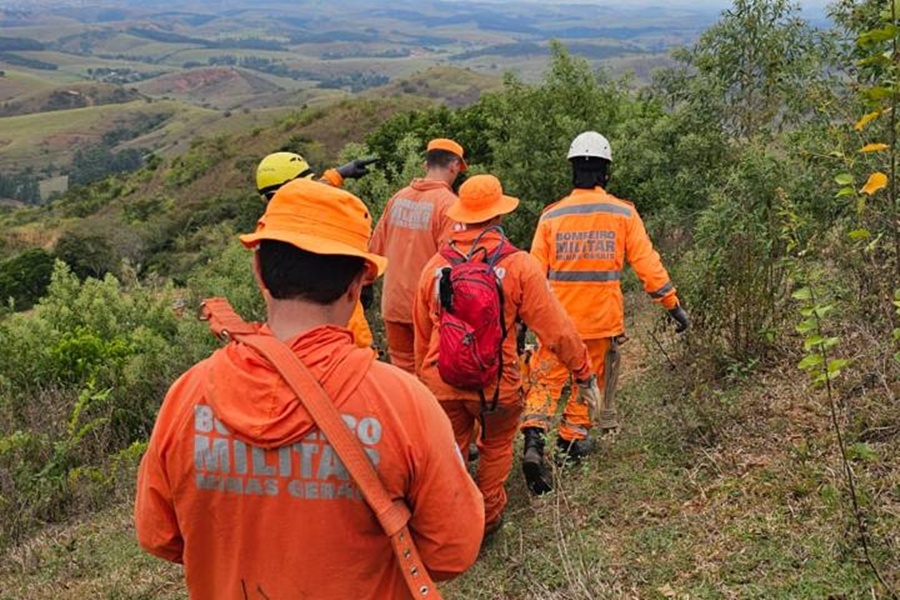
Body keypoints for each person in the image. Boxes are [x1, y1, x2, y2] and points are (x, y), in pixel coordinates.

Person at [135, 178, 485, 599]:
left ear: (259, 271)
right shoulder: (404, 403)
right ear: (357, 285)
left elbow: (159, 535)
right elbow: (452, 551)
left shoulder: (187, 396)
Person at [413, 174, 600, 532]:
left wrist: (427, 379)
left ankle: (451, 523)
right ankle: (487, 519)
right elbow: (556, 328)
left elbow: (423, 333)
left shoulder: (434, 267)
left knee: (450, 453)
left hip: (443, 380)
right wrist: (582, 370)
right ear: (498, 215)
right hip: (497, 384)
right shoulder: (518, 265)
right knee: (496, 446)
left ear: (461, 215)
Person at [520, 131, 690, 494]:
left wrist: (523, 318)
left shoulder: (552, 216)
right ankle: (570, 441)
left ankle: (534, 442)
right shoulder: (622, 212)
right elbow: (647, 264)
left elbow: (531, 274)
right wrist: (672, 305)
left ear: (572, 170)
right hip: (599, 322)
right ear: (605, 172)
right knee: (590, 382)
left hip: (555, 323)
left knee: (546, 381)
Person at [255, 151, 378, 349]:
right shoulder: (320, 228)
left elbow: (306, 197)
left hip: (288, 345)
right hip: (347, 341)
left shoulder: (268, 236)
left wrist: (338, 174)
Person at [369, 138, 465, 373]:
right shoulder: (450, 205)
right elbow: (453, 262)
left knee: (402, 374)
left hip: (393, 305)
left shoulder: (398, 198)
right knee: (429, 375)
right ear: (454, 166)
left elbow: (373, 250)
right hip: (426, 309)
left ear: (425, 164)